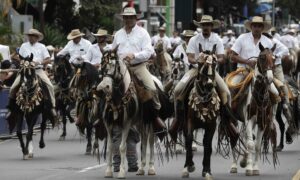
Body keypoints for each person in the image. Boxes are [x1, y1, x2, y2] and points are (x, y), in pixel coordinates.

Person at [111, 6, 166, 171]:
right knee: (106, 88)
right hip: (121, 68)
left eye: (131, 17)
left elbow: (149, 51)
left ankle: (156, 117)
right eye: (126, 18)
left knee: (152, 88)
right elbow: (113, 50)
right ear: (123, 19)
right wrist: (108, 53)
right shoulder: (118, 34)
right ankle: (104, 116)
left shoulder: (143, 33)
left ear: (136, 18)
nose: (128, 20)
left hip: (138, 66)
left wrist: (134, 55)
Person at [169, 15, 231, 140]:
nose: (206, 27)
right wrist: (198, 60)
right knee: (177, 90)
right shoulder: (194, 39)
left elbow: (222, 57)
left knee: (227, 93)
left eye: (208, 25)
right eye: (204, 25)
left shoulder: (217, 39)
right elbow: (190, 57)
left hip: (212, 72)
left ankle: (226, 123)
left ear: (211, 26)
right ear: (201, 26)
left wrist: (214, 59)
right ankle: (177, 119)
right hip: (195, 70)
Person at [6, 29, 57, 119]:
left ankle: (52, 107)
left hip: (38, 70)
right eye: (29, 35)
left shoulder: (42, 46)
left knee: (50, 86)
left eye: (32, 36)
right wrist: (23, 62)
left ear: (37, 37)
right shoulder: (23, 45)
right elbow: (19, 57)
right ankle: (10, 108)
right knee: (13, 86)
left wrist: (39, 62)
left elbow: (48, 59)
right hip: (25, 70)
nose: (30, 37)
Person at [263, 32, 290, 109]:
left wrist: (277, 55)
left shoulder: (274, 41)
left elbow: (286, 49)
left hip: (276, 67)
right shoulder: (258, 42)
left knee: (281, 82)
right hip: (263, 68)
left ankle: (286, 101)